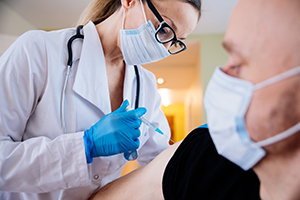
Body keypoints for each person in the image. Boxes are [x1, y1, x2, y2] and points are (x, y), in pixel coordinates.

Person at [90, 0, 300, 199]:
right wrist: (86, 145)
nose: (223, 75)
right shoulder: (200, 159)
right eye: (165, 30)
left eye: (238, 62)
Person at [0, 0, 201, 199]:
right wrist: (85, 145)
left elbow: (161, 165)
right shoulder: (39, 50)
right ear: (130, 2)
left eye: (175, 42)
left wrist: (199, 148)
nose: (165, 48)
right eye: (164, 29)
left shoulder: (145, 84)